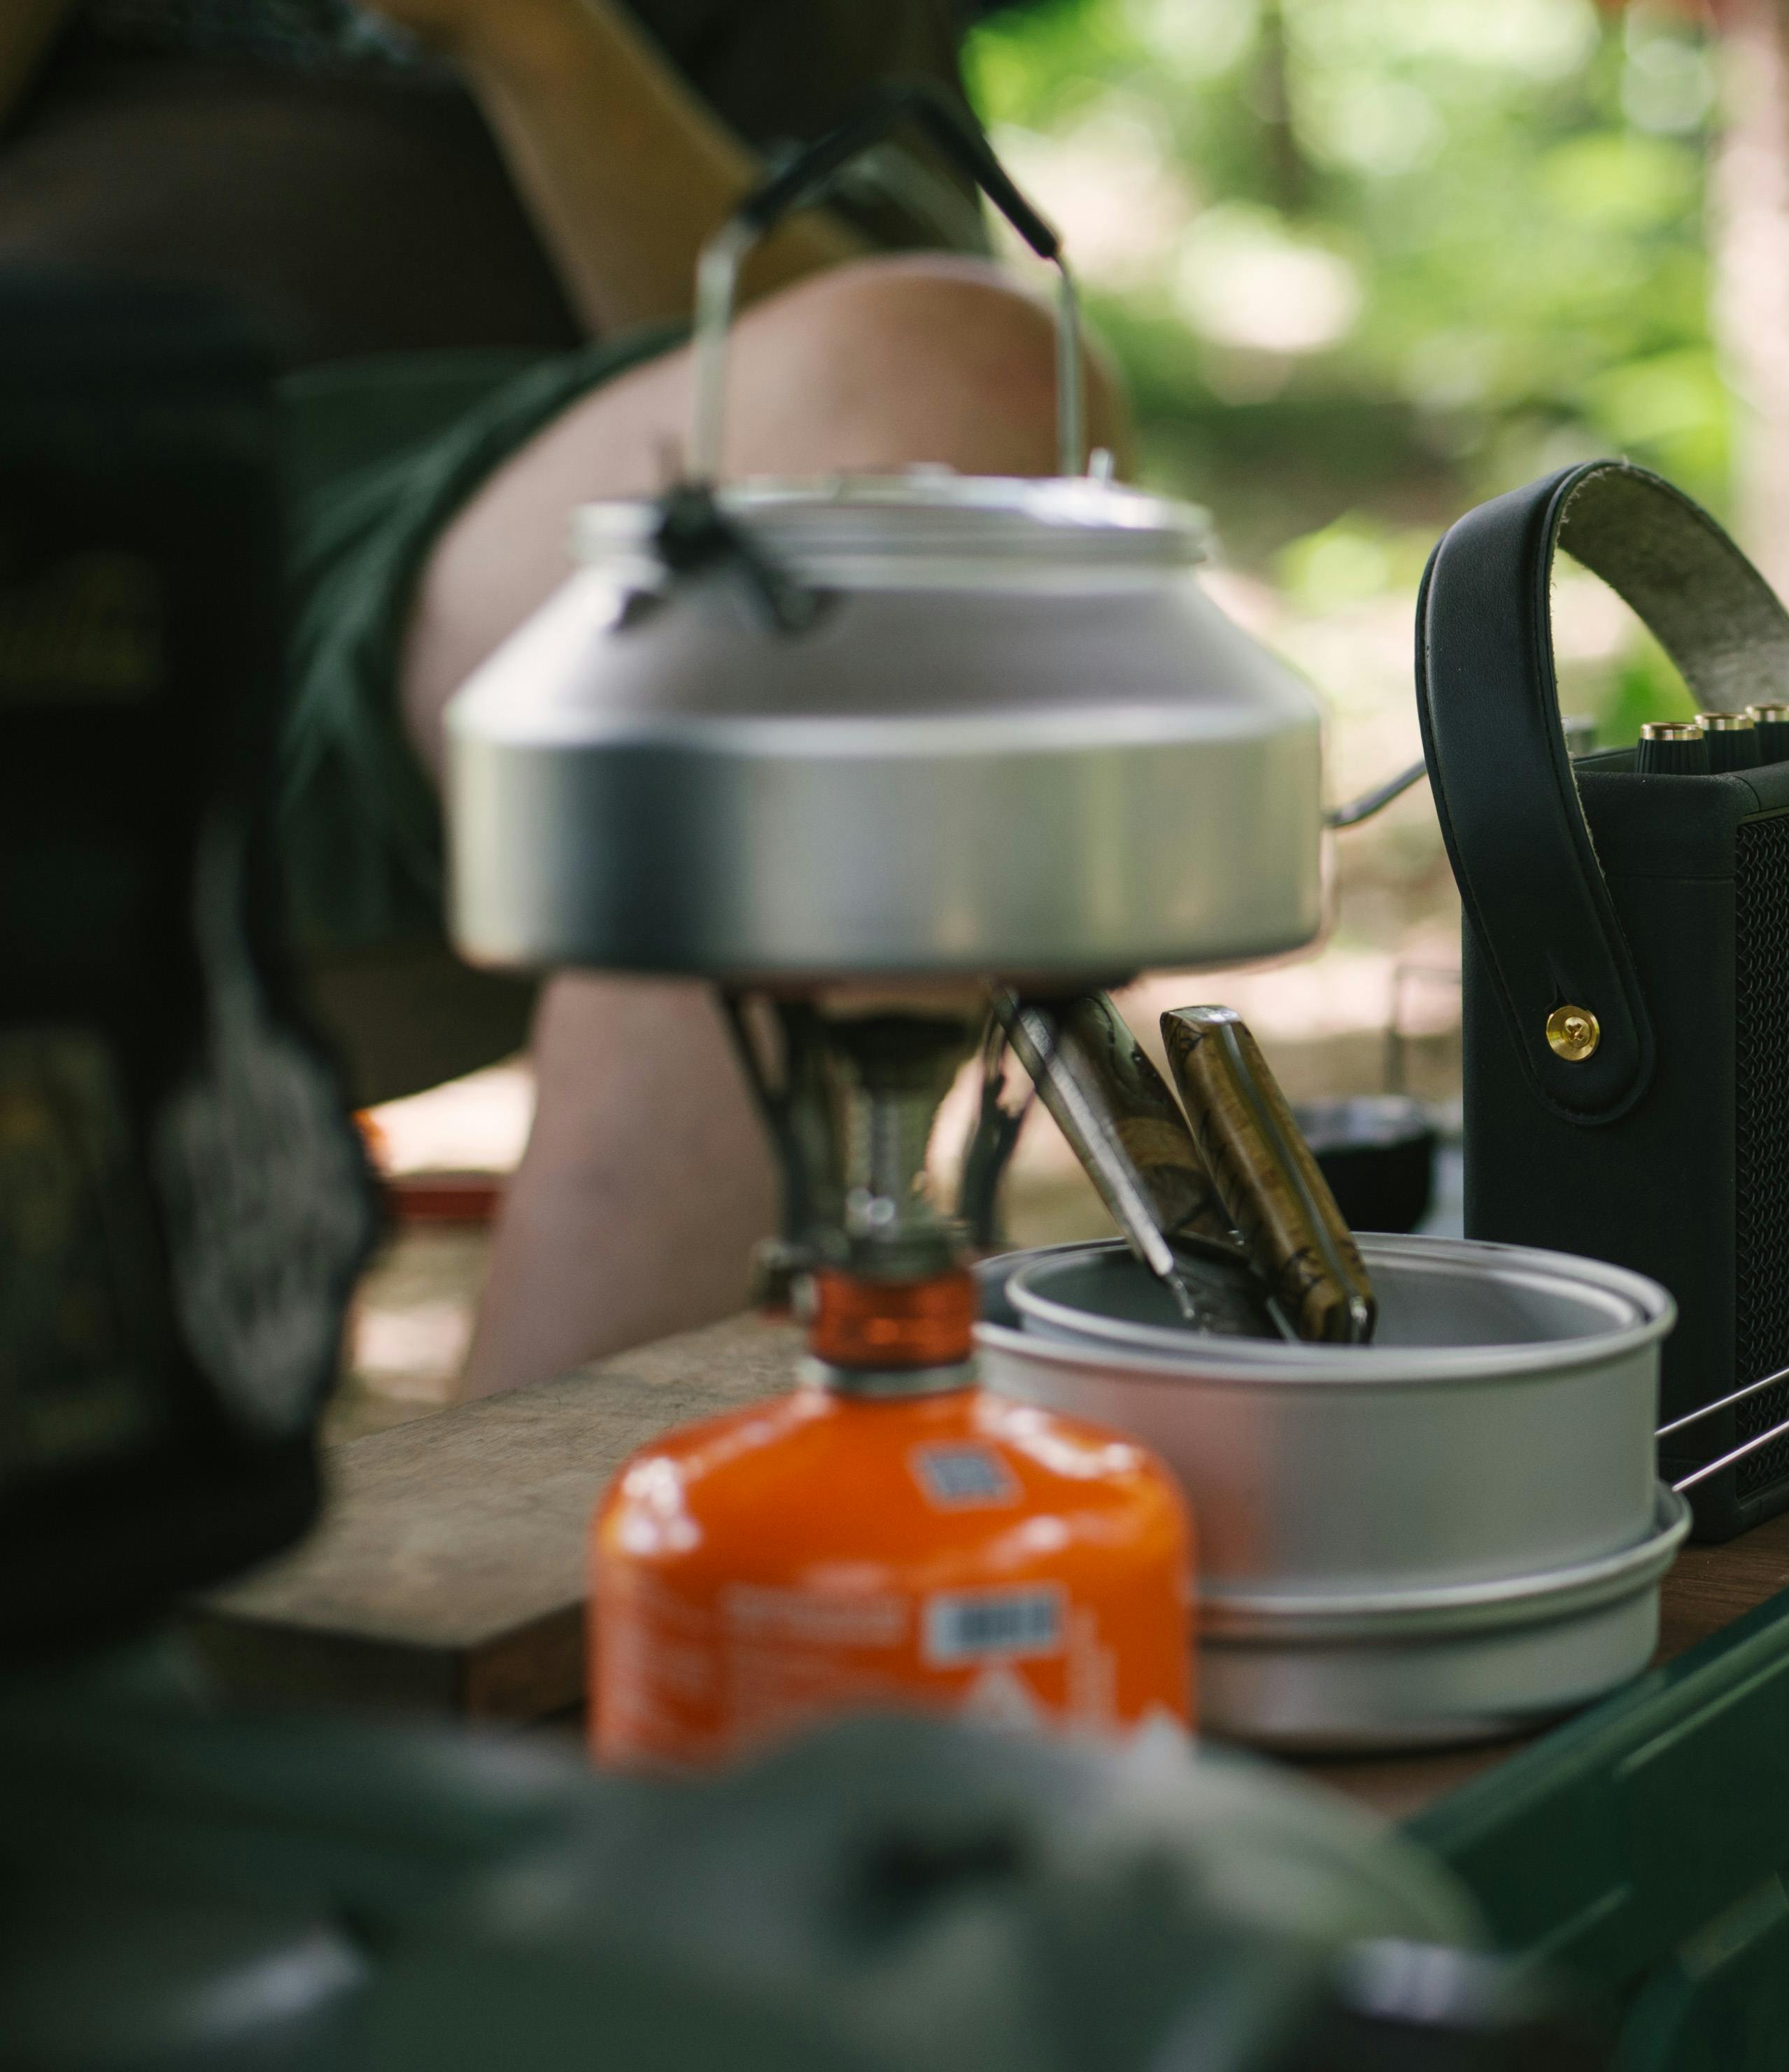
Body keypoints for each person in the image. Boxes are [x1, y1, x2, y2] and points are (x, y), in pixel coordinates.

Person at [0, 0, 1122, 1395]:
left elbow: (861, 381)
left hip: (508, 549)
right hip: (39, 438)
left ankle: (542, 1555)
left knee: (943, 407)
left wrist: (531, 36)